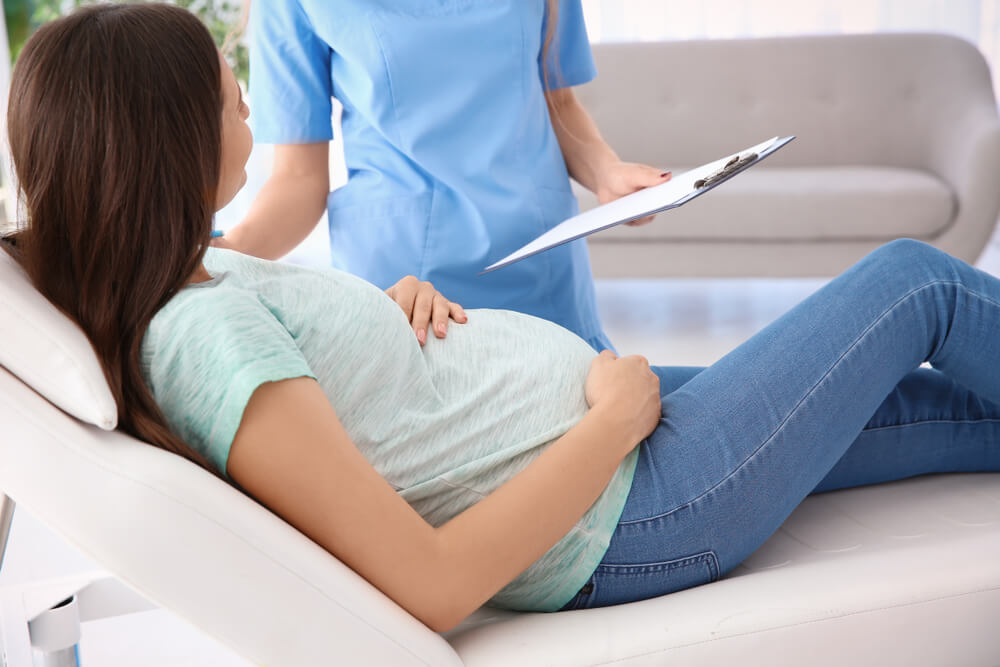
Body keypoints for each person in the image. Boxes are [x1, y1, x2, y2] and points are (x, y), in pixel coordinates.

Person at [5, 3, 999, 634]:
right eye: (233, 105)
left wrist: (377, 319)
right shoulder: (202, 337)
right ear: (166, 146)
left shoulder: (196, 281)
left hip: (608, 455)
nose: (251, 117)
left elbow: (326, 399)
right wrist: (611, 420)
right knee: (917, 285)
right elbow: (432, 585)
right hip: (631, 500)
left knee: (931, 410)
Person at [215, 0, 671, 352]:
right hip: (409, 291)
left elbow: (559, 103)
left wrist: (607, 172)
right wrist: (221, 254)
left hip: (541, 263)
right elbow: (299, 178)